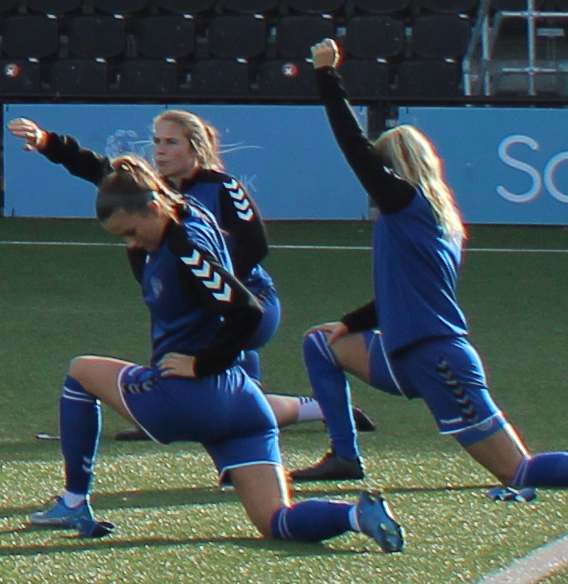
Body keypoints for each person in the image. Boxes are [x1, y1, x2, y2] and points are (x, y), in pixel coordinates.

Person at [291, 42, 568, 499]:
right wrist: (347, 324)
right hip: (407, 352)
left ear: (393, 171)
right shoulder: (434, 218)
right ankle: (345, 456)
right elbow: (401, 295)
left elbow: (354, 148)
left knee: (518, 472)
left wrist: (327, 77)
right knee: (321, 345)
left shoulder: (407, 205)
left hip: (437, 358)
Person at [34, 150, 396, 551]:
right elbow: (125, 182)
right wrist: (57, 147)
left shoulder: (185, 250)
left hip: (189, 398)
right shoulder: (186, 212)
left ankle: (73, 502)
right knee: (277, 520)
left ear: (154, 207)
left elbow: (247, 311)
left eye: (131, 232)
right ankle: (355, 515)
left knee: (81, 371)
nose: (131, 243)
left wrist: (201, 363)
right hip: (243, 406)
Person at [17, 103, 281, 361]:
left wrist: (206, 286)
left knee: (200, 369)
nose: (160, 151)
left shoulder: (225, 188)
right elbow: (97, 168)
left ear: (196, 148)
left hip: (250, 298)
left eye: (171, 142)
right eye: (156, 142)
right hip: (201, 306)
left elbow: (255, 246)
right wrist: (47, 142)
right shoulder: (150, 188)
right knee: (230, 386)